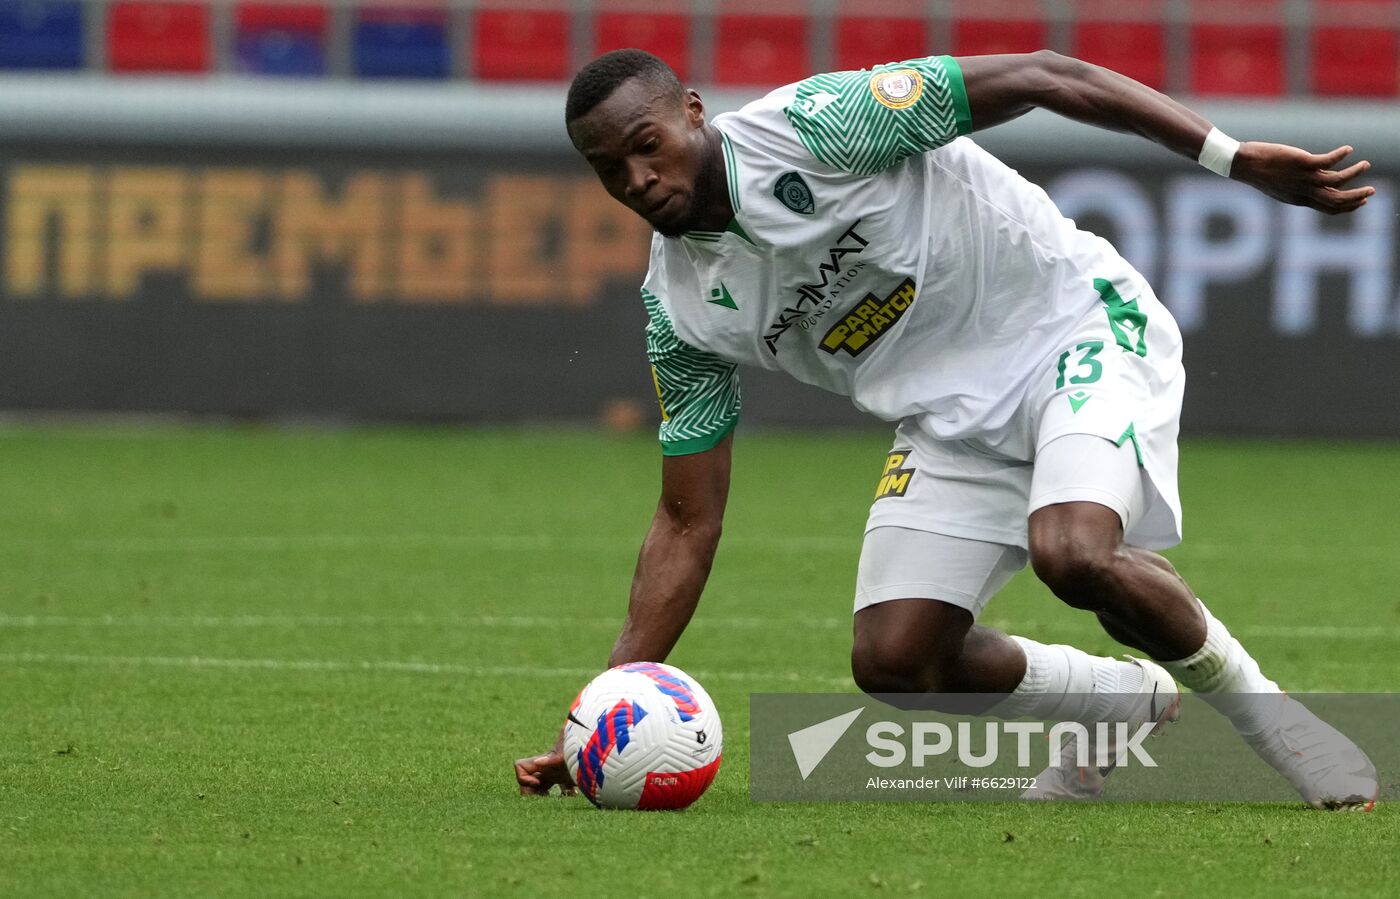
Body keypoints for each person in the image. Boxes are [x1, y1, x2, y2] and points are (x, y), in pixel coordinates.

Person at [514, 47, 1378, 808]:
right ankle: (1119, 701)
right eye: (608, 169)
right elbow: (684, 519)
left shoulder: (823, 127)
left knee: (1072, 551)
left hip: (1073, 328)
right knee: (895, 659)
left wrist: (1230, 157)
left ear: (692, 111)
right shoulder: (679, 311)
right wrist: (601, 710)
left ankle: (1279, 725)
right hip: (948, 423)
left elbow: (1050, 74)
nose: (636, 180)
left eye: (646, 145)